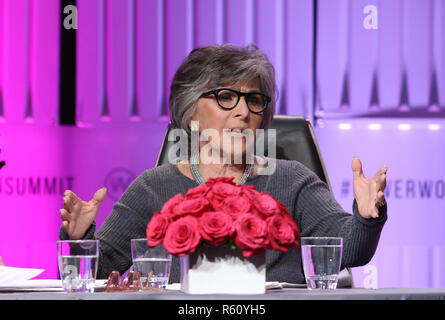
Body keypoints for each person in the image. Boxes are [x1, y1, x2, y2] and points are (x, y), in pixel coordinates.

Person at [59, 44, 387, 284]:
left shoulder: (293, 180)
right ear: (191, 114)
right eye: (226, 97)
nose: (243, 112)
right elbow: (92, 273)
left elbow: (348, 250)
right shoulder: (152, 187)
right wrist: (77, 239)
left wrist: (367, 216)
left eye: (254, 100)